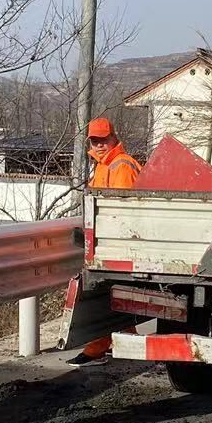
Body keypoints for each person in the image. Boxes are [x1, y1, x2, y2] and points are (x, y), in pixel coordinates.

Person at [70, 117, 143, 365]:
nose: (100, 145)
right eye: (95, 140)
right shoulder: (103, 165)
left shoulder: (120, 165)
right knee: (114, 294)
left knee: (107, 293)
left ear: (114, 138)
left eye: (104, 139)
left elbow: (123, 210)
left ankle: (99, 347)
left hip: (117, 241)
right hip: (107, 241)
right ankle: (123, 341)